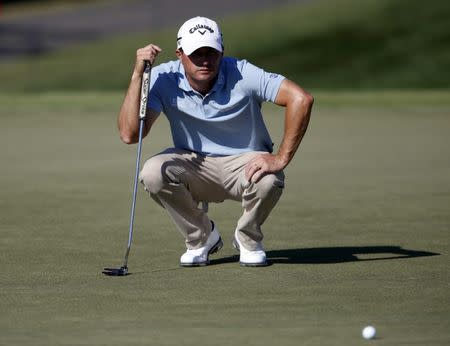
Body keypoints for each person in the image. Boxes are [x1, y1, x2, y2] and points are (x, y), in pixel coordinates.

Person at [118, 16, 313, 267]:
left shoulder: (242, 72)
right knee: (153, 172)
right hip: (193, 163)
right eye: (196, 54)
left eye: (211, 52)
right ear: (180, 54)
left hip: (245, 163)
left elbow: (301, 99)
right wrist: (137, 76)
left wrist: (281, 157)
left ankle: (248, 238)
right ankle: (201, 238)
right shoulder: (162, 78)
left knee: (270, 180)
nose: (205, 60)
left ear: (222, 52)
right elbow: (129, 135)